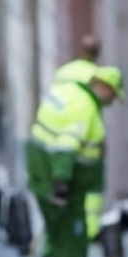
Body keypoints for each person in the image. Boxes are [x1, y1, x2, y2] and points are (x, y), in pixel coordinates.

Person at [26, 65, 125, 257]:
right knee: (70, 249)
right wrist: (62, 184)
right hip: (64, 190)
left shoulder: (67, 91)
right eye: (112, 95)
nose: (112, 101)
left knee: (55, 241)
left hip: (42, 181)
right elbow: (66, 147)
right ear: (104, 86)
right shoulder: (84, 108)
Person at [52, 34, 105, 241]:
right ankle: (90, 230)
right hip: (84, 134)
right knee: (91, 188)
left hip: (59, 127)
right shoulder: (96, 76)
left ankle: (67, 227)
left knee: (64, 186)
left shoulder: (64, 72)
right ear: (97, 53)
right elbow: (95, 110)